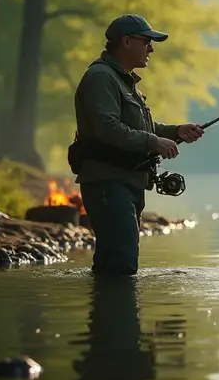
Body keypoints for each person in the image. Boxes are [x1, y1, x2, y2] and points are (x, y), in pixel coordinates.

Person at [72, 14, 204, 276]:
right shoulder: (101, 78)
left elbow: (141, 127)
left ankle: (109, 313)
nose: (151, 49)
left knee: (117, 263)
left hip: (125, 183)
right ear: (127, 41)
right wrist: (154, 142)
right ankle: (115, 314)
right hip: (108, 183)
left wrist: (176, 131)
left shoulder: (123, 81)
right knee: (121, 264)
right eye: (147, 42)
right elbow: (107, 128)